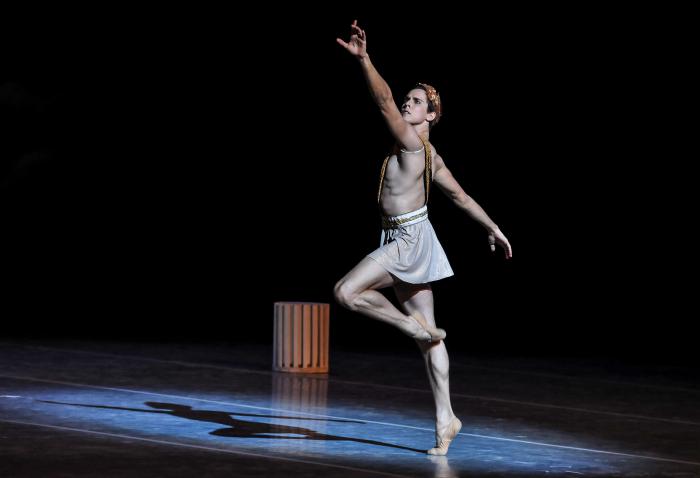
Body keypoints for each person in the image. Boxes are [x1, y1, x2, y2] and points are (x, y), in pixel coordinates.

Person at [333, 20, 513, 456]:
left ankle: (411, 326)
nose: (406, 104)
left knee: (345, 292)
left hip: (408, 241)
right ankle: (445, 418)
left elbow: (380, 102)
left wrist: (365, 60)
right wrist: (493, 228)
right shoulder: (431, 156)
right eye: (408, 99)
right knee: (432, 336)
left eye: (415, 102)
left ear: (430, 115)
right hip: (413, 235)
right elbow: (461, 197)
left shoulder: (414, 144)